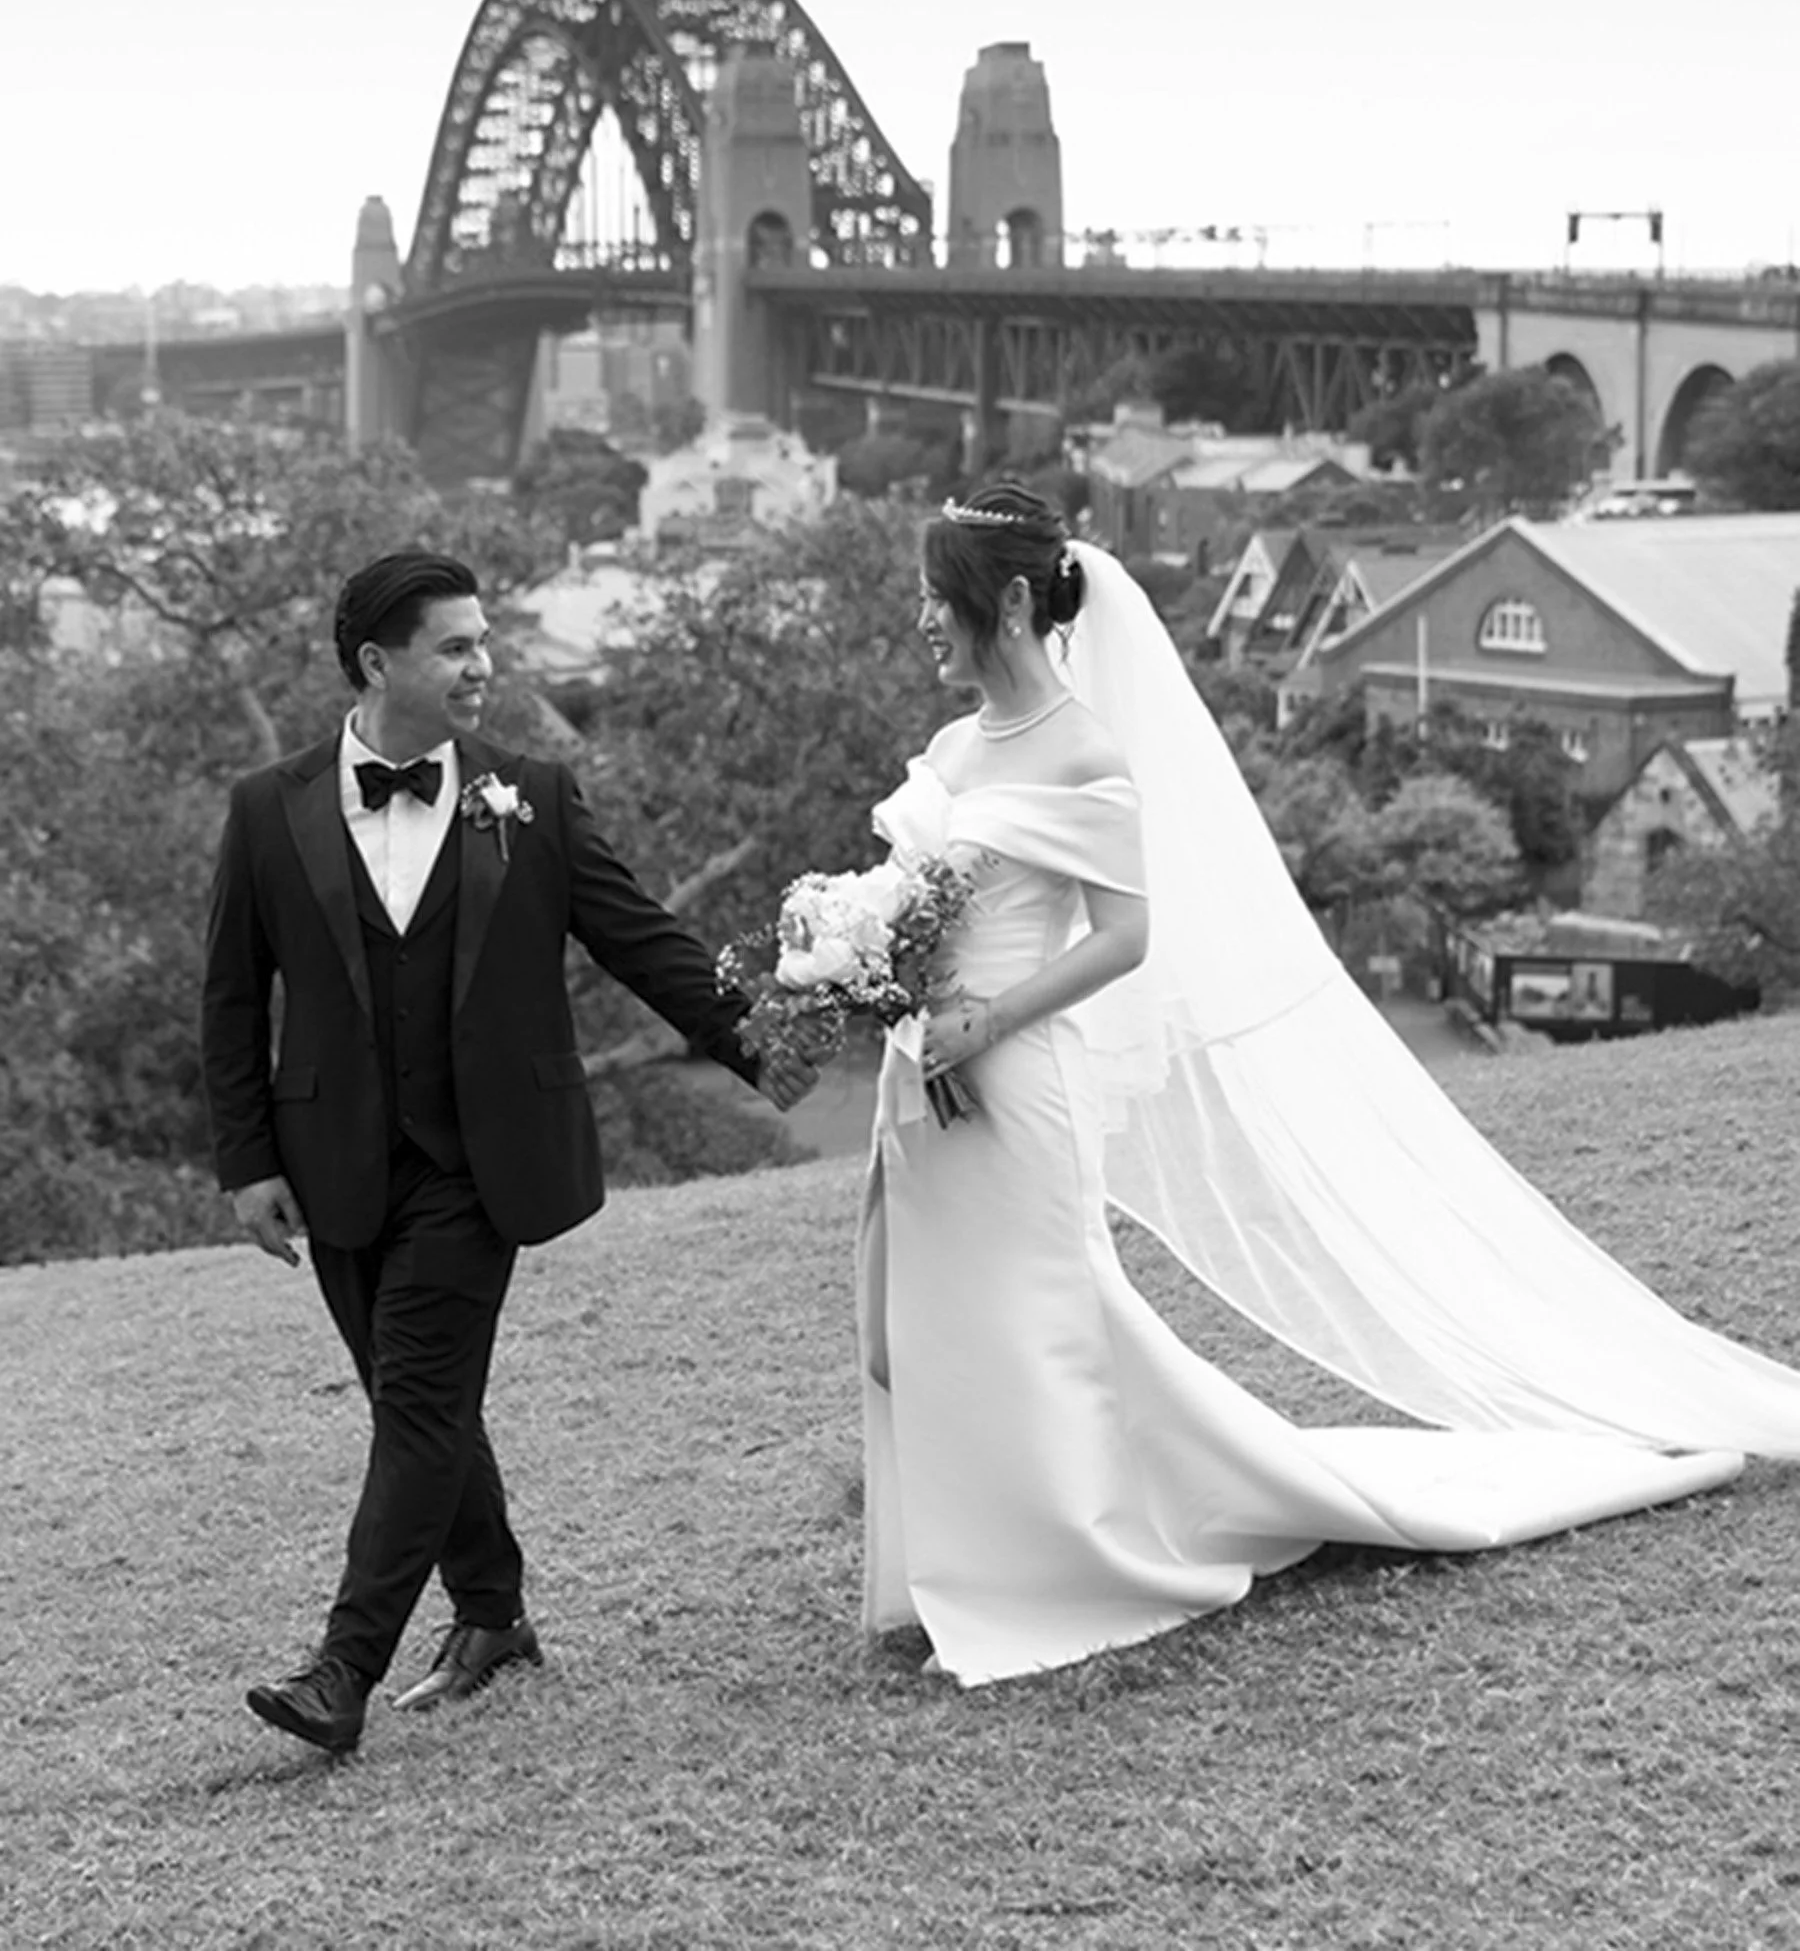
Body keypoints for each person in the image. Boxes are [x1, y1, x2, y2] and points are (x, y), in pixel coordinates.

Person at [859, 481, 1800, 1688]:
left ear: (1018, 600)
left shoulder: (1086, 751)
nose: (925, 620)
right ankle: (965, 1567)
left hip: (1016, 1076)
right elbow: (919, 912)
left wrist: (989, 1017)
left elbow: (1123, 939)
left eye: (941, 599)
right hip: (924, 1082)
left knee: (1038, 1324)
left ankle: (1061, 1569)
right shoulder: (948, 751)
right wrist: (878, 982)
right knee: (931, 1332)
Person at [202, 548, 817, 1755]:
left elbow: (641, 936)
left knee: (420, 1395)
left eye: (486, 643)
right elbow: (231, 996)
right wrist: (246, 1161)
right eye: (457, 647)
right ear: (380, 664)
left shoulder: (529, 794)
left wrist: (760, 1042)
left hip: (484, 1160)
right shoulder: (264, 808)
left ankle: (343, 1672)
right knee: (413, 1401)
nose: (485, 666)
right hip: (333, 1161)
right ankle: (493, 1618)